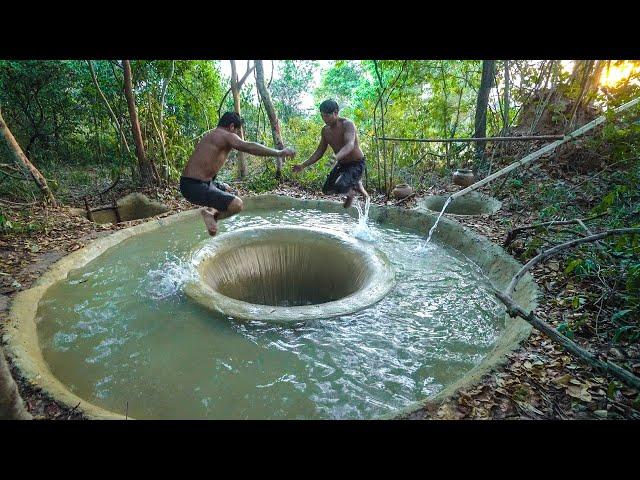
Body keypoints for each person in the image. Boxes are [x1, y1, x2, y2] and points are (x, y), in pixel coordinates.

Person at [180, 112, 295, 236]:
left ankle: (211, 211)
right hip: (195, 186)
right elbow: (249, 147)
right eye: (237, 131)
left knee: (228, 190)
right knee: (237, 205)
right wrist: (279, 152)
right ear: (231, 126)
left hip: (191, 183)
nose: (237, 135)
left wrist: (219, 184)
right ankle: (211, 215)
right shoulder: (227, 135)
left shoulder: (211, 135)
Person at [292, 99, 368, 208]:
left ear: (336, 113)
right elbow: (319, 151)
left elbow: (350, 145)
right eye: (322, 116)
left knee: (341, 186)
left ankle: (352, 191)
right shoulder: (325, 130)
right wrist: (303, 165)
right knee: (327, 189)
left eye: (327, 116)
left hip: (356, 163)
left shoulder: (347, 124)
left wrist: (336, 157)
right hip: (342, 164)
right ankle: (356, 184)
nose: (324, 119)